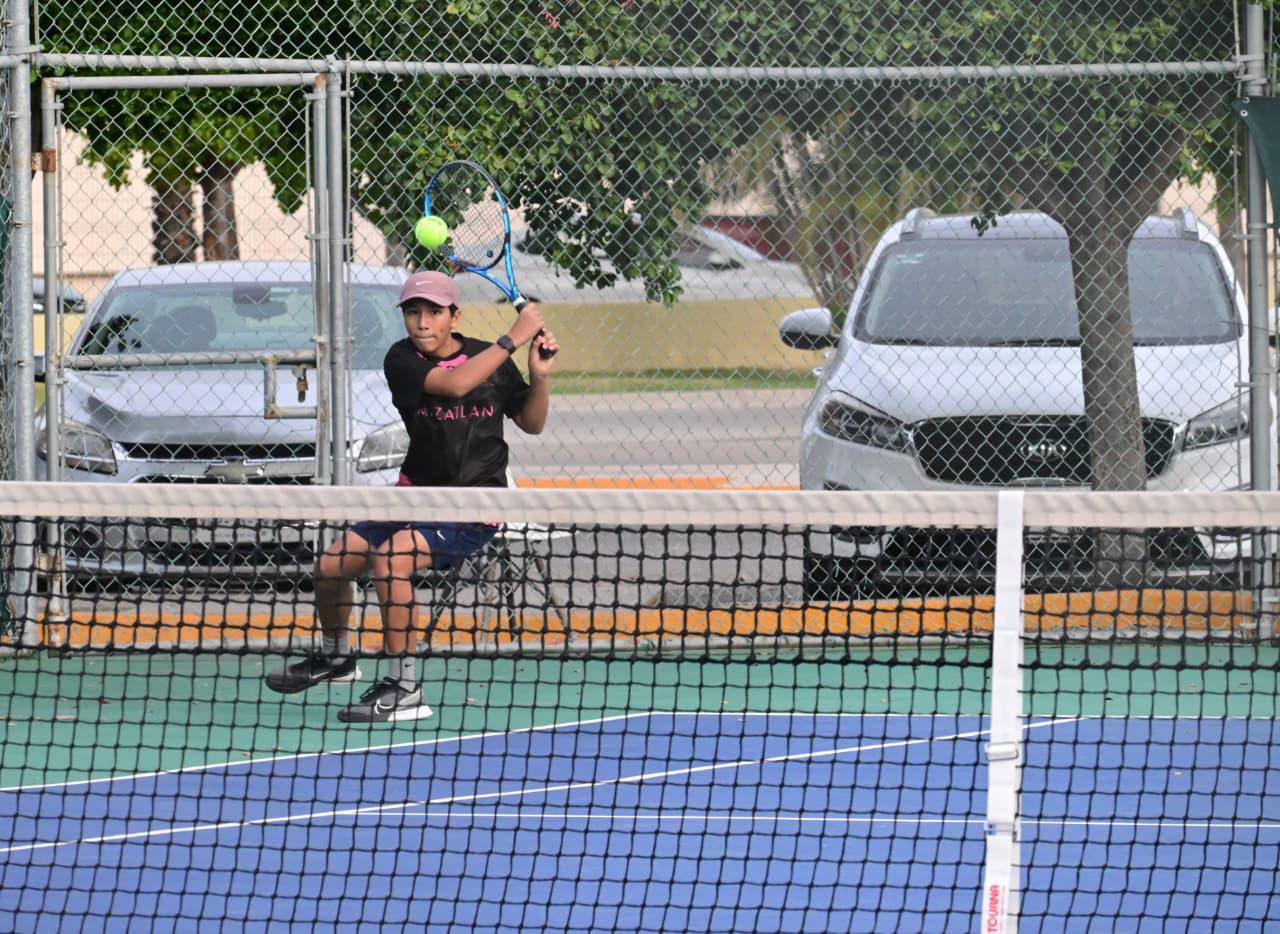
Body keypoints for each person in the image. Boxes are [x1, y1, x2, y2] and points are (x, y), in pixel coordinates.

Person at [265, 270, 558, 722]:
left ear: (454, 316)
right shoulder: (402, 360)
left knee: (391, 560)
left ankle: (404, 688)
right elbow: (455, 384)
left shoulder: (490, 358)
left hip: (475, 505)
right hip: (414, 496)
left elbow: (532, 423)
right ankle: (337, 658)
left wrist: (538, 377)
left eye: (434, 312)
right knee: (330, 565)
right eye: (413, 312)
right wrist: (512, 339)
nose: (422, 322)